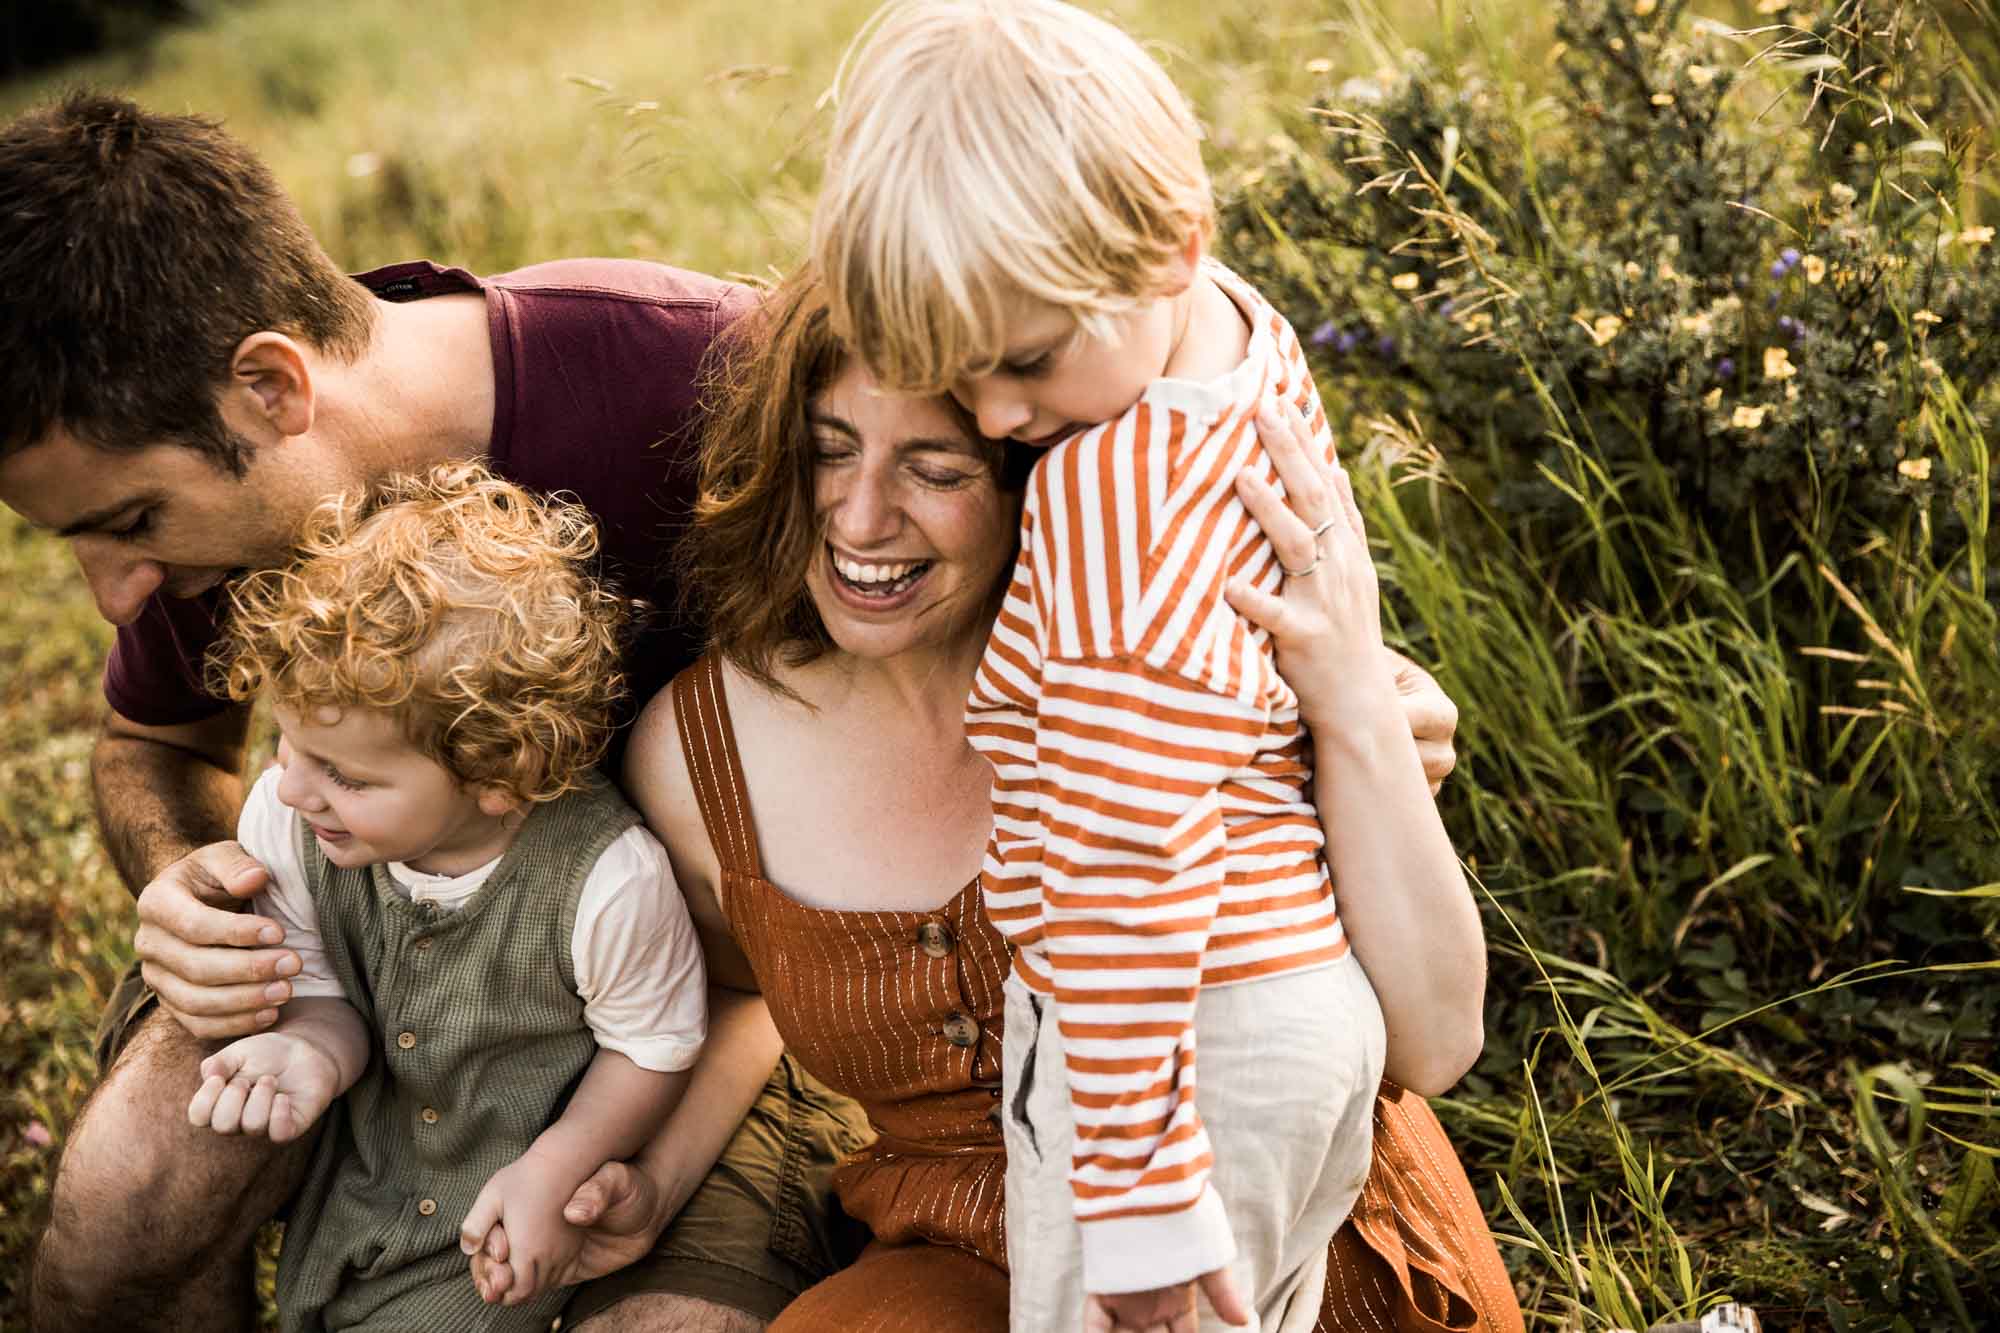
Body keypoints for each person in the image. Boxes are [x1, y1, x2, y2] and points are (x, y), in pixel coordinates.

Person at [475, 267, 1521, 1333]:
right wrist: (654, 1182)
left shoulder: (1167, 676)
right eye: (829, 449)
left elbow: (1433, 1045)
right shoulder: (700, 757)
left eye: (935, 469)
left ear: (1033, 478)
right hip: (963, 1245)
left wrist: (1351, 706)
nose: (864, 515)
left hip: (1271, 1222)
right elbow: (737, 992)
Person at [0, 92, 869, 1333]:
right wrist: (194, 881)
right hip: (343, 952)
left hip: (704, 1006)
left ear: (269, 385)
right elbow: (152, 742)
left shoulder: (707, 384)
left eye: (131, 521)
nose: (115, 596)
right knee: (117, 1217)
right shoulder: (211, 527)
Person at [809, 3, 1478, 1328]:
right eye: (963, 377)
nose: (1001, 421)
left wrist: (1136, 1194)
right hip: (1297, 1006)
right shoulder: (1232, 335)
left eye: (1025, 364)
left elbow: (1126, 858)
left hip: (1186, 1043)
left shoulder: (1109, 503)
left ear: (1171, 241)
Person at [185, 461, 707, 1329]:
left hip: (504, 1227)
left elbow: (651, 1045)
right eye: (289, 744)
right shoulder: (290, 825)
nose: (291, 790)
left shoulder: (608, 882)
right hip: (363, 1196)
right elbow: (322, 988)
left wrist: (559, 1162)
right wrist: (309, 1047)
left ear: (499, 774)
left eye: (344, 775)